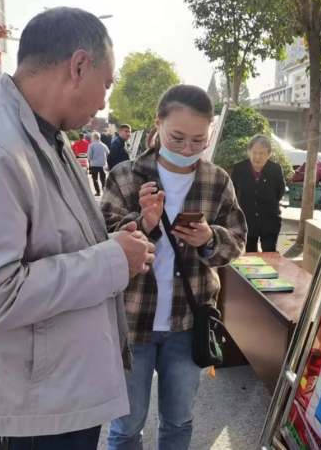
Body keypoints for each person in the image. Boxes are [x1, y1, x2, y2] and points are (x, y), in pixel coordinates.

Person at [0, 7, 157, 450]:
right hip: (34, 412)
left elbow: (57, 241)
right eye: (106, 84)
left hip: (58, 392)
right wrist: (112, 260)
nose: (104, 102)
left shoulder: (45, 135)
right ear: (78, 66)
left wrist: (117, 242)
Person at [102, 85, 247, 450]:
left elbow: (237, 241)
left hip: (188, 322)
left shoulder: (217, 180)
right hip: (132, 321)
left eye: (198, 140)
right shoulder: (126, 176)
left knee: (179, 420)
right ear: (158, 124)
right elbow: (100, 242)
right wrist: (143, 223)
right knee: (126, 426)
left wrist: (209, 238)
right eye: (177, 138)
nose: (186, 149)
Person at [231, 135, 286, 253]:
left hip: (269, 220)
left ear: (269, 154)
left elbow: (280, 191)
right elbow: (232, 192)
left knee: (270, 254)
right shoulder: (239, 168)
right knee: (249, 255)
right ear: (249, 152)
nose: (257, 157)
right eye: (254, 152)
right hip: (246, 221)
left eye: (261, 153)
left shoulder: (275, 169)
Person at [88, 131, 110, 196]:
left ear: (94, 137)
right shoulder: (104, 146)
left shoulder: (91, 146)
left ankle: (98, 192)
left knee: (95, 179)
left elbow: (89, 156)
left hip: (94, 164)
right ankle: (104, 188)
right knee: (103, 178)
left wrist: (90, 160)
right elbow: (108, 154)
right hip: (103, 164)